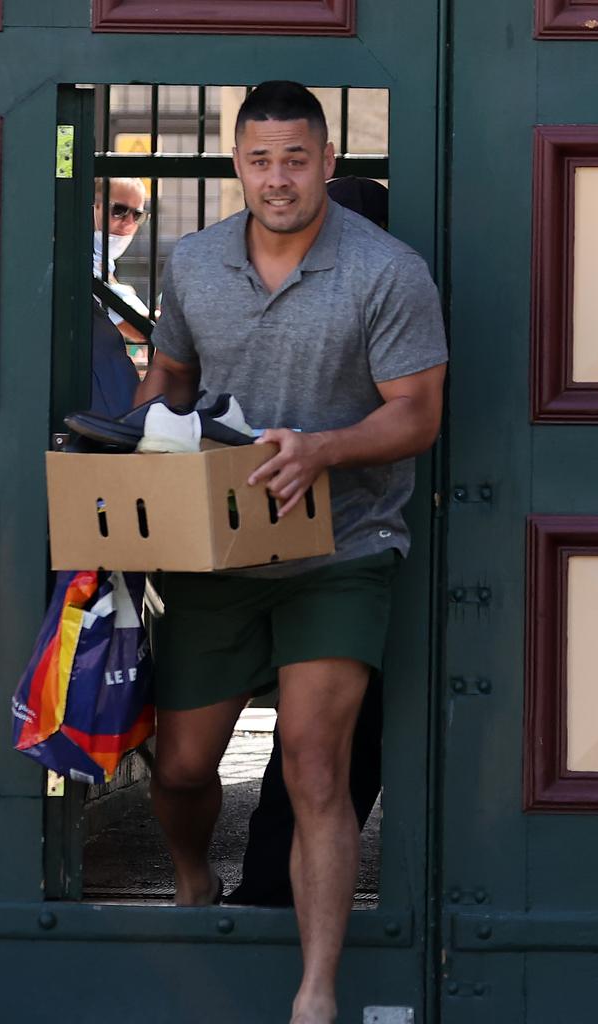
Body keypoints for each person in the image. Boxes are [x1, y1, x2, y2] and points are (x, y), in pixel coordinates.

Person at [136, 82, 447, 1024]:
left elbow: (417, 416)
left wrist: (321, 450)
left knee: (317, 766)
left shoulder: (387, 272)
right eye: (261, 160)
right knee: (185, 767)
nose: (279, 179)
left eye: (297, 159)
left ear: (327, 164)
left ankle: (316, 991)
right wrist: (128, 441)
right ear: (238, 164)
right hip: (218, 554)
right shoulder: (190, 263)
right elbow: (171, 378)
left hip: (344, 548)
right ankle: (195, 883)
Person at [226, 176, 390, 910]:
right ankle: (268, 891)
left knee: (308, 752)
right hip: (356, 550)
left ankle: (265, 892)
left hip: (313, 548)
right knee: (330, 750)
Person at [90, 177, 149, 416]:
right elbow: (137, 326)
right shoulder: (78, 255)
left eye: (137, 215)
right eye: (119, 210)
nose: (128, 222)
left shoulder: (105, 263)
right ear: (92, 206)